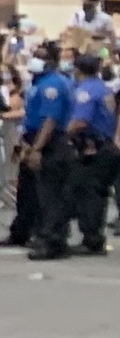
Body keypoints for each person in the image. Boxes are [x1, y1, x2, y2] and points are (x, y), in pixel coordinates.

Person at [6, 45, 72, 250]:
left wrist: (37, 149)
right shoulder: (37, 82)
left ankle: (50, 237)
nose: (34, 60)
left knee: (48, 193)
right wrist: (22, 143)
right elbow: (30, 116)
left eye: (40, 57)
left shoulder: (54, 84)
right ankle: (22, 231)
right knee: (26, 190)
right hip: (32, 137)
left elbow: (50, 120)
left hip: (48, 141)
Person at [63, 49, 117, 254]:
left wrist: (63, 133)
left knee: (87, 193)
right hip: (105, 146)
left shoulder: (86, 91)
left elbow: (79, 121)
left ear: (77, 69)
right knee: (96, 194)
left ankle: (92, 239)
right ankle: (93, 237)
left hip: (94, 148)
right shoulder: (103, 88)